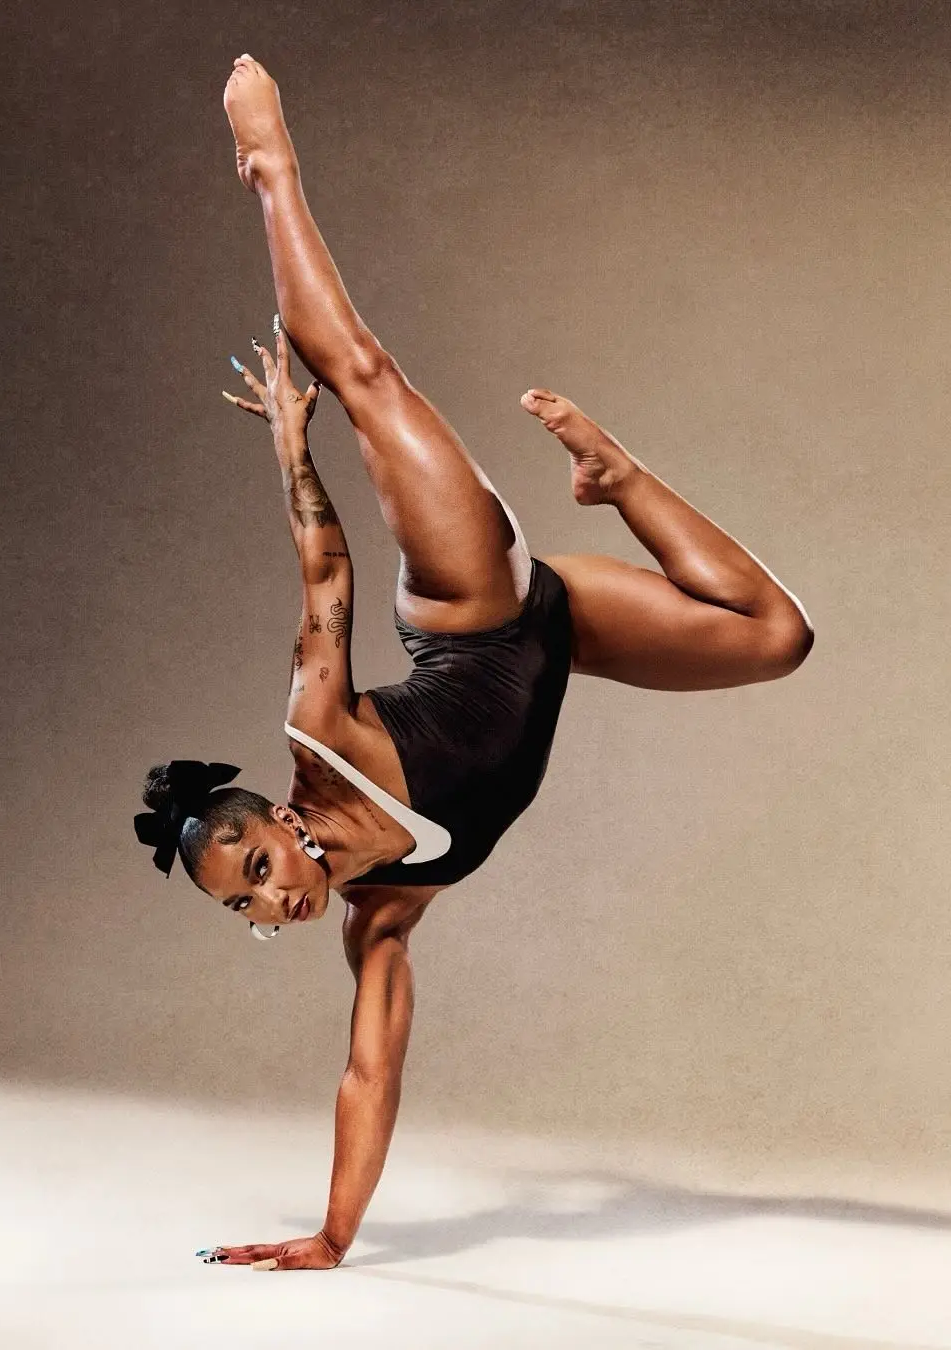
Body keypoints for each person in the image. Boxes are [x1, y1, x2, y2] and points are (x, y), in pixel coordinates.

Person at [135, 56, 814, 1273]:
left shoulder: (319, 738)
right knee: (775, 638)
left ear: (275, 818)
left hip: (476, 602)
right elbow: (369, 1070)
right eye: (246, 907)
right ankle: (617, 480)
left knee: (360, 374)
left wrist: (293, 448)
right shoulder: (383, 913)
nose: (273, 901)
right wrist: (333, 1236)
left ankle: (267, 164)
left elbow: (325, 576)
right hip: (565, 637)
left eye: (255, 868)